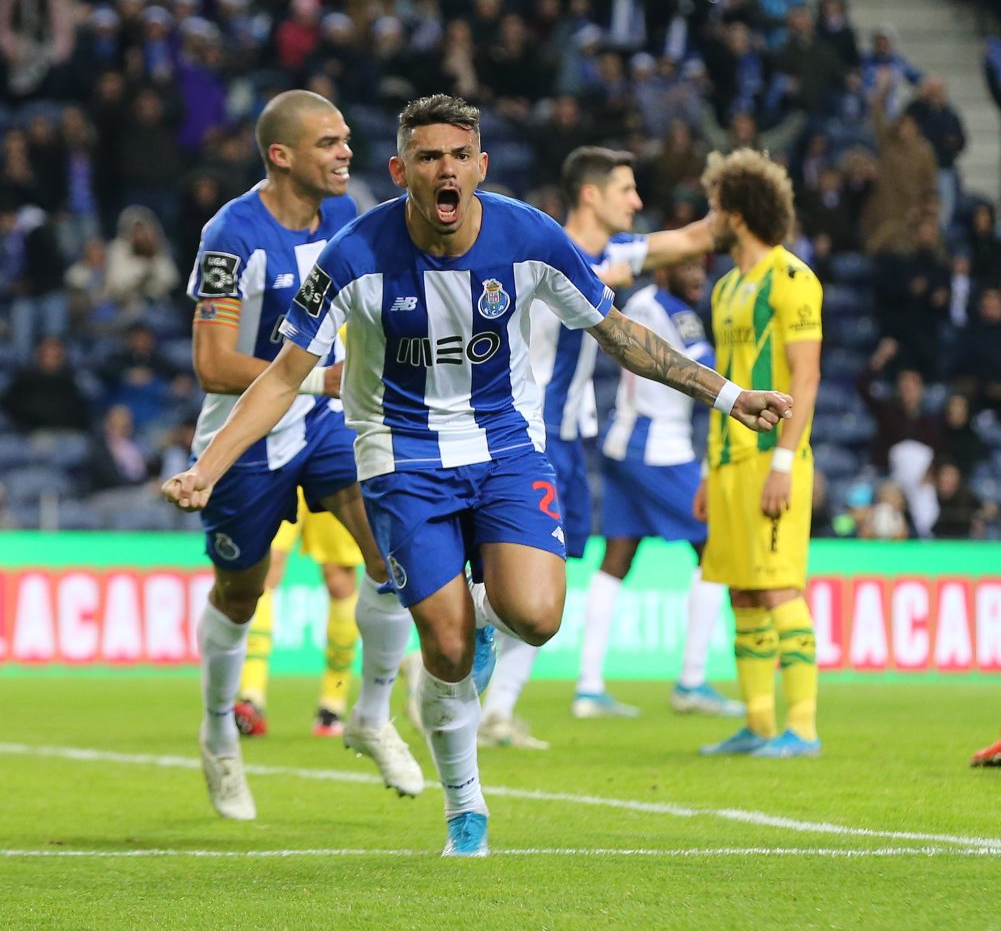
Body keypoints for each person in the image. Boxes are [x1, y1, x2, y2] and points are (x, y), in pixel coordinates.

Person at [163, 94, 792, 857]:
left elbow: (619, 333)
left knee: (537, 617)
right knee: (444, 648)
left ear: (481, 166)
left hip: (504, 450)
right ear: (401, 171)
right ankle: (464, 804)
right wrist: (207, 465)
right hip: (403, 458)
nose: (446, 169)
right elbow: (281, 375)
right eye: (428, 157)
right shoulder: (354, 251)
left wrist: (727, 396)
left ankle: (421, 669)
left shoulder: (528, 236)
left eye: (460, 155)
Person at [172, 89, 422, 823]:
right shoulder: (232, 236)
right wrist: (321, 378)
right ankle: (219, 733)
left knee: (390, 556)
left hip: (325, 425)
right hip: (246, 438)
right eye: (328, 143)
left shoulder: (348, 217)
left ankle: (370, 714)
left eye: (345, 139)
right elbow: (213, 364)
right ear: (280, 156)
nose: (346, 153)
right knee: (241, 594)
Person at [472, 145, 721, 746]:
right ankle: (451, 647)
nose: (636, 202)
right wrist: (599, 279)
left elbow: (691, 240)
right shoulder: (542, 252)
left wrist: (737, 196)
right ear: (591, 194)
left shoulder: (611, 253)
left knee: (549, 578)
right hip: (525, 435)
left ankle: (497, 708)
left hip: (570, 437)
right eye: (625, 190)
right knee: (523, 577)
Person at [573, 256, 743, 721]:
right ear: (663, 271)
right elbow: (707, 367)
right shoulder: (674, 310)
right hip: (657, 447)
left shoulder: (640, 300)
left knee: (617, 557)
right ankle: (692, 681)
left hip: (621, 439)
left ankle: (588, 687)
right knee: (715, 547)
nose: (697, 276)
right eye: (687, 269)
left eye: (701, 269)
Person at [695, 148, 823, 760]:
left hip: (772, 459)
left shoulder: (792, 279)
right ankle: (759, 724)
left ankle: (803, 728)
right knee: (741, 592)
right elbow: (726, 380)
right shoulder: (725, 288)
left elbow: (807, 377)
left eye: (714, 208)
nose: (709, 219)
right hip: (727, 463)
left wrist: (783, 463)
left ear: (738, 214)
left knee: (778, 589)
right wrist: (707, 468)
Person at [234, 490, 365, 739]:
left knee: (339, 578)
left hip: (331, 470)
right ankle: (251, 697)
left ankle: (332, 702)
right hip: (281, 469)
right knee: (264, 566)